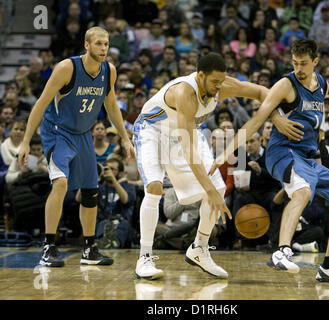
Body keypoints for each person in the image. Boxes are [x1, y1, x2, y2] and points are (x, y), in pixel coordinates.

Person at [132, 52, 299, 280]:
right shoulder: (185, 93)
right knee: (154, 188)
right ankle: (145, 257)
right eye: (214, 82)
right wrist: (208, 191)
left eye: (222, 81)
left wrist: (276, 117)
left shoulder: (221, 84)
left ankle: (199, 248)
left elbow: (261, 92)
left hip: (185, 133)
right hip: (153, 132)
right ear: (200, 75)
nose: (219, 87)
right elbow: (189, 151)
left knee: (218, 189)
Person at [211, 39, 329, 283]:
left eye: (303, 63)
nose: (298, 68)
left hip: (307, 156)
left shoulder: (321, 83)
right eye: (294, 63)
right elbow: (258, 118)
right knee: (301, 191)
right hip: (282, 152)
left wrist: (316, 158)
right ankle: (282, 251)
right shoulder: (286, 84)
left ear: (315, 61)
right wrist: (227, 149)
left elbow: (315, 125)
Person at [18, 27, 135, 268]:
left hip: (83, 134)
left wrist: (124, 138)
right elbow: (40, 104)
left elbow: (111, 106)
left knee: (91, 190)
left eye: (106, 44)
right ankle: (49, 246)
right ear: (87, 45)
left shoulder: (109, 71)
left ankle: (89, 248)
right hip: (58, 131)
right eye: (99, 44)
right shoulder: (66, 68)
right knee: (60, 183)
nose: (104, 48)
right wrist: (26, 141)